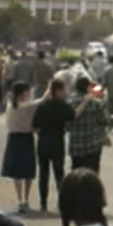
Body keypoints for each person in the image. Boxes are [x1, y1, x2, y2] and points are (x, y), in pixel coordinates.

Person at [31, 79, 77, 213]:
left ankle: (43, 203)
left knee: (43, 173)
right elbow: (73, 115)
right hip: (57, 140)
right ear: (57, 90)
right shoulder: (63, 106)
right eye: (63, 90)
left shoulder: (43, 106)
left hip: (43, 141)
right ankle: (61, 202)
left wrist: (41, 132)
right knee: (59, 173)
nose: (65, 92)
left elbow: (34, 126)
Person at [2, 82, 40, 213]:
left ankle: (20, 199)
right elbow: (40, 101)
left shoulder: (10, 105)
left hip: (14, 138)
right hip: (26, 138)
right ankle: (25, 199)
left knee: (17, 172)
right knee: (28, 170)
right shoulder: (27, 106)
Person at [66, 76, 109, 173]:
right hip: (92, 145)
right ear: (88, 87)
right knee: (92, 173)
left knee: (77, 174)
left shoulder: (69, 102)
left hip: (75, 146)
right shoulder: (96, 103)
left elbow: (67, 125)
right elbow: (104, 120)